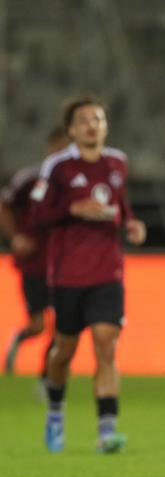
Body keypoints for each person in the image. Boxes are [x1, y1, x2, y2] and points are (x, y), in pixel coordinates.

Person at [29, 95, 147, 453]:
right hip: (68, 274)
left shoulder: (117, 162)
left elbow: (121, 206)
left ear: (105, 125)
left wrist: (131, 224)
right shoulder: (57, 167)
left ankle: (106, 430)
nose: (91, 125)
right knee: (64, 350)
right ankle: (54, 409)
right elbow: (36, 217)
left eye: (97, 118)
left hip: (108, 271)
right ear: (70, 130)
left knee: (106, 345)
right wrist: (71, 208)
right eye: (83, 120)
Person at [1, 127, 69, 376]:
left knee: (63, 323)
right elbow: (4, 205)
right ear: (50, 149)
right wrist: (16, 237)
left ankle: (46, 373)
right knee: (38, 325)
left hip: (65, 264)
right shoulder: (30, 178)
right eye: (59, 149)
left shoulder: (76, 184)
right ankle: (18, 340)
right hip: (34, 263)